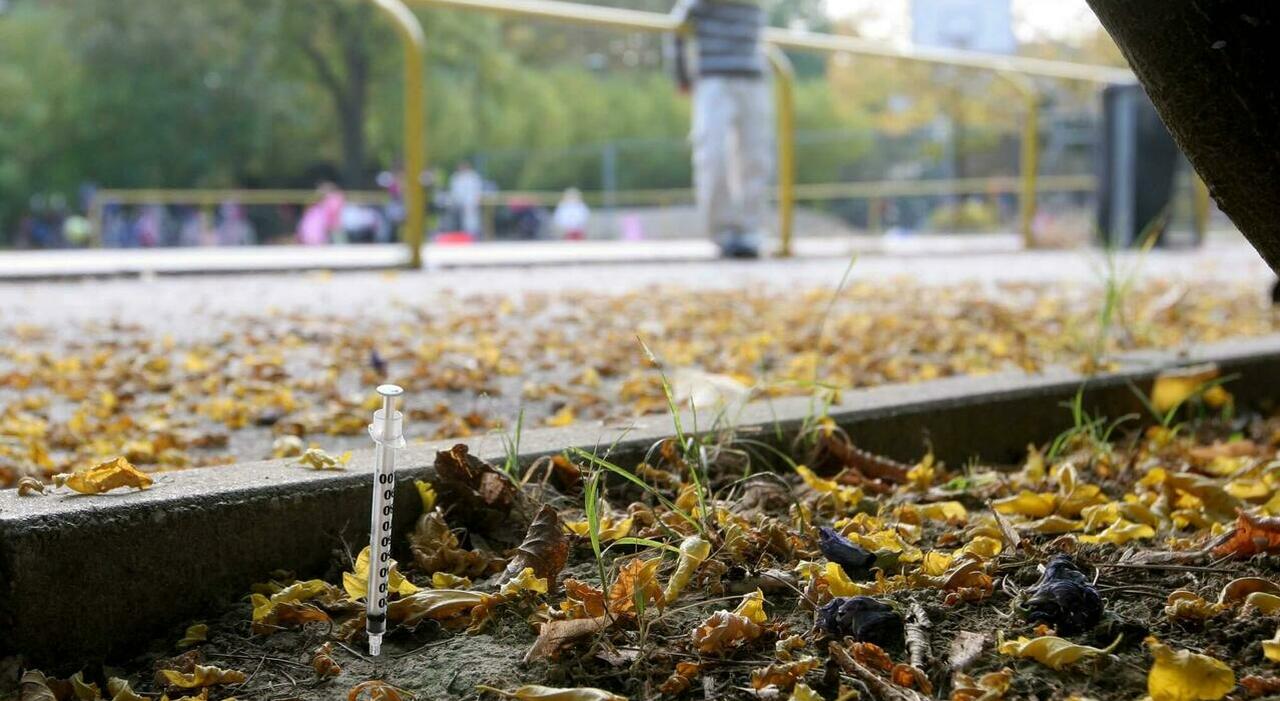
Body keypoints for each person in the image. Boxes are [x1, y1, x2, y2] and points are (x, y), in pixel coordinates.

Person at [670, 0, 772, 258]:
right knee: (712, 154)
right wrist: (681, 74)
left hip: (753, 77)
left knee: (756, 158)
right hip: (713, 77)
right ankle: (723, 231)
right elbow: (676, 28)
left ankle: (750, 230)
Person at [447, 161, 484, 236]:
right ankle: (461, 233)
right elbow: (454, 191)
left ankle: (473, 234)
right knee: (458, 219)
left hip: (471, 202)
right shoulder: (456, 177)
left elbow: (477, 189)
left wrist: (476, 199)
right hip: (458, 202)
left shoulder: (473, 176)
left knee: (472, 219)